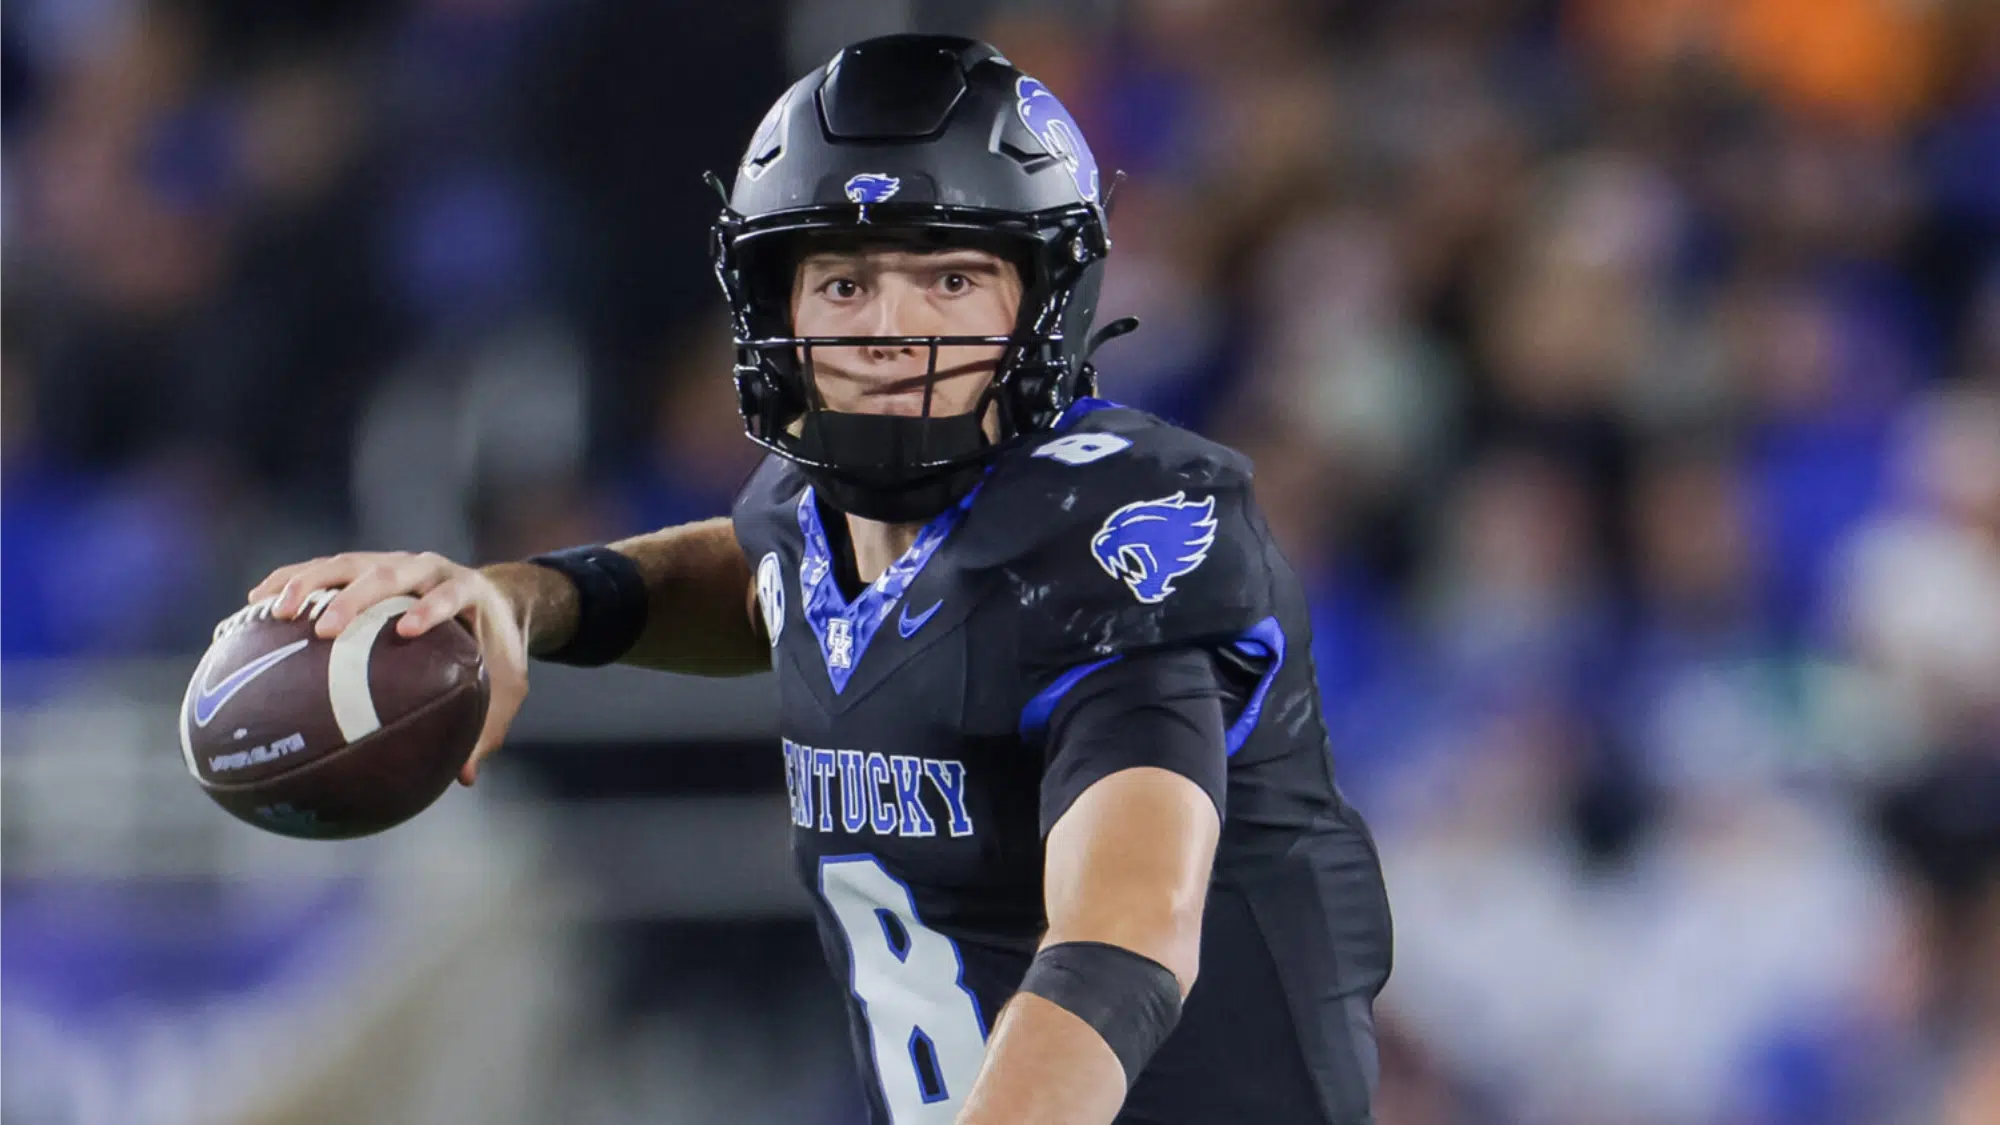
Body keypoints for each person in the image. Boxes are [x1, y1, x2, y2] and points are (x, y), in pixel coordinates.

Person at [249, 35, 1392, 1125]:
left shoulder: (1105, 538)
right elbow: (755, 580)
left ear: (1044, 303)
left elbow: (1128, 925)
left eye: (949, 279)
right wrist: (519, 602)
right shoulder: (816, 513)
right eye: (841, 283)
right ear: (770, 309)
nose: (892, 330)